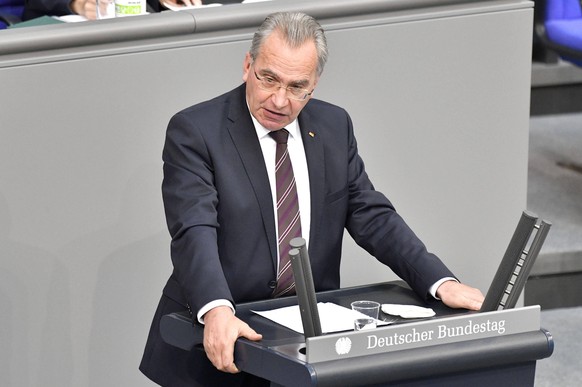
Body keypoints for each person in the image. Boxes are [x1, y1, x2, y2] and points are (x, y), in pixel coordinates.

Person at [140, 11, 485, 387]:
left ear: (314, 85)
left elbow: (371, 214)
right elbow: (194, 230)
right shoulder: (196, 131)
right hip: (222, 338)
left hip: (303, 343)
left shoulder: (333, 126)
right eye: (268, 79)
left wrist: (439, 281)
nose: (279, 100)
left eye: (296, 87)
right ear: (247, 65)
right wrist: (218, 310)